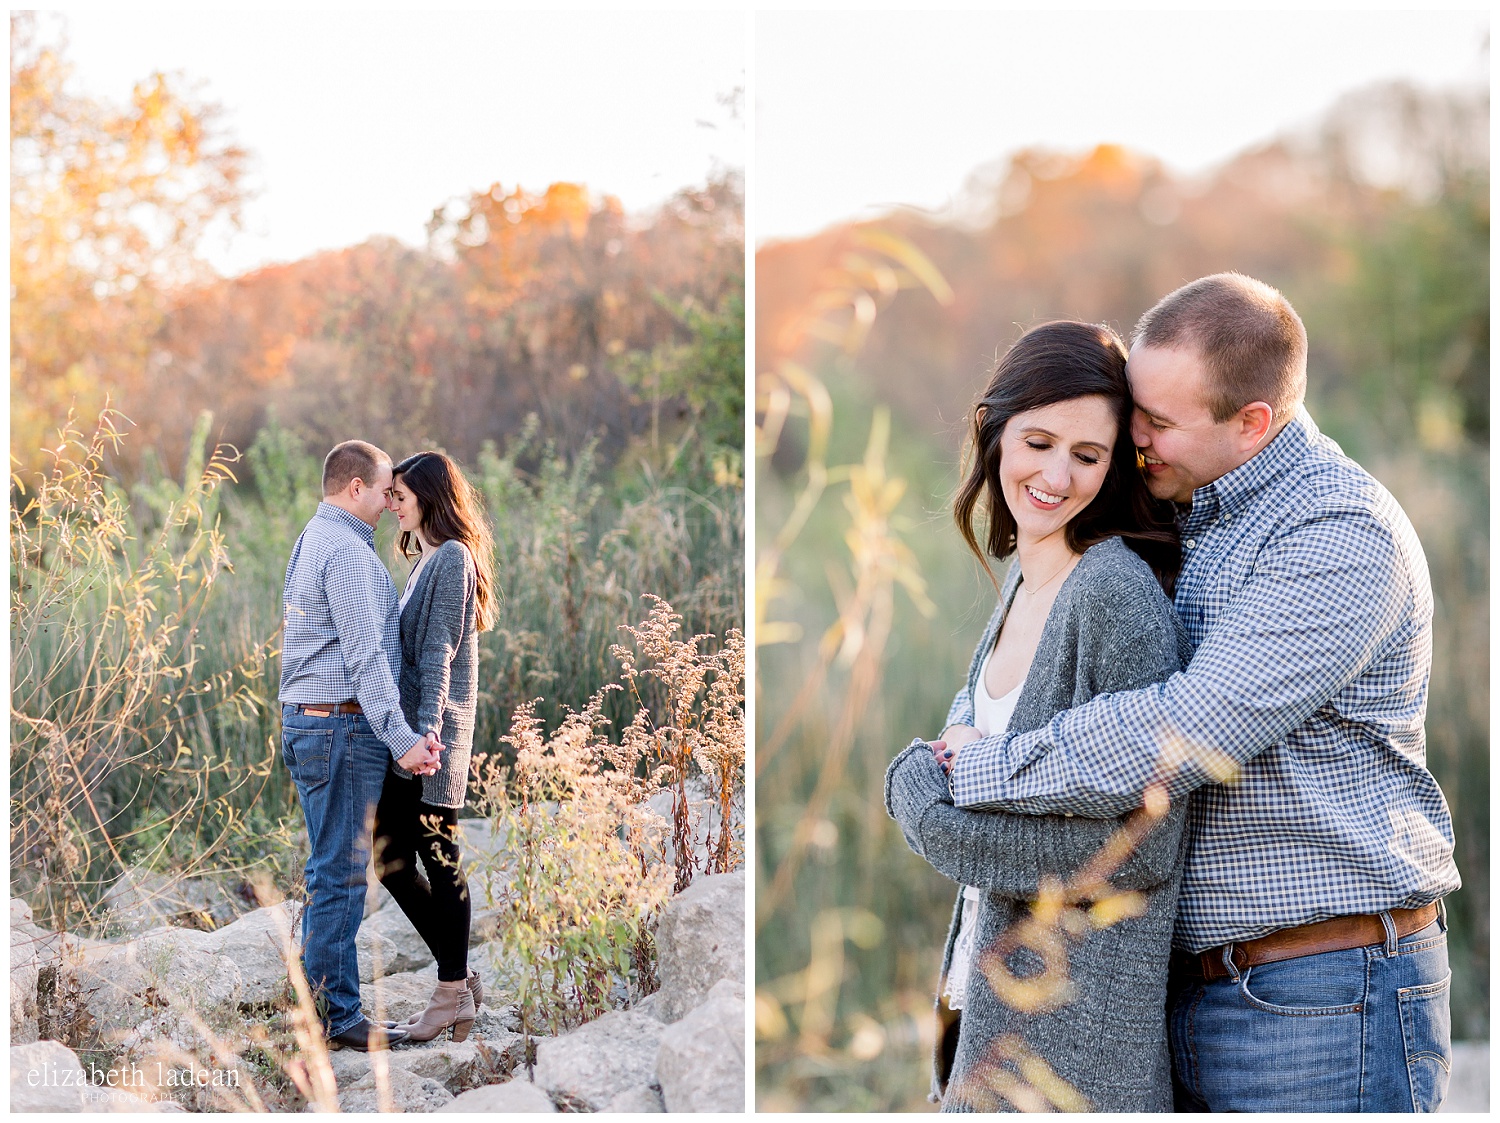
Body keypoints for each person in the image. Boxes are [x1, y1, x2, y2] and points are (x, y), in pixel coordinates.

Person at [945, 274, 1460, 1112]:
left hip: (1316, 996)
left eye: (1156, 422)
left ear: (1251, 422)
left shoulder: (1337, 533)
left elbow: (1185, 729)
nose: (1134, 440)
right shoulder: (1186, 512)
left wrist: (981, 769)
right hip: (1180, 990)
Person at [885, 320, 1193, 1111]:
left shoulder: (1113, 593)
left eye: (1087, 456)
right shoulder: (1024, 580)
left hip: (1078, 1044)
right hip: (986, 1018)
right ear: (994, 434)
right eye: (1039, 441)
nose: (1057, 474)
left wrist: (938, 825)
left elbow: (1147, 844)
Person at [279, 440, 443, 1052]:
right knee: (341, 875)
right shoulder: (345, 550)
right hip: (341, 727)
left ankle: (323, 1008)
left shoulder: (312, 539)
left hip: (318, 723)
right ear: (355, 489)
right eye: (382, 492)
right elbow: (366, 658)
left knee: (331, 870)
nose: (387, 503)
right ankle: (335, 1018)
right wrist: (401, 739)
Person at [372, 451, 498, 1043]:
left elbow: (438, 653)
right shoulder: (424, 560)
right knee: (392, 857)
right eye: (391, 494)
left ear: (428, 496)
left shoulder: (452, 557)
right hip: (416, 735)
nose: (392, 503)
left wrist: (425, 736)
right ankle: (461, 979)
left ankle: (450, 994)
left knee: (435, 858)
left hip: (432, 734)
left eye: (400, 494)